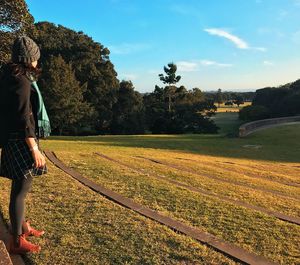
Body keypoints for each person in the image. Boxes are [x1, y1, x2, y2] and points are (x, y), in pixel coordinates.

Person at [0, 36, 51, 254]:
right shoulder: (21, 80)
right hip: (21, 140)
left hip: (13, 138)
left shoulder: (8, 77)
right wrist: (34, 149)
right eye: (36, 58)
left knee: (20, 188)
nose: (37, 63)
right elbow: (24, 117)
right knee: (21, 190)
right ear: (28, 58)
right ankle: (17, 241)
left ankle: (21, 226)